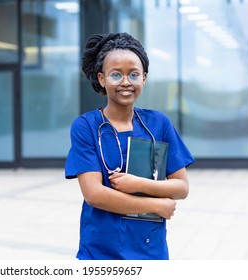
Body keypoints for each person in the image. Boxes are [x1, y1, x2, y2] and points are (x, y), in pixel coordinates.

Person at [65, 32, 195, 260]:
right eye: (116, 74)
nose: (126, 82)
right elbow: (94, 194)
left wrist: (136, 183)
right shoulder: (86, 127)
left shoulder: (159, 124)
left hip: (149, 250)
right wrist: (155, 206)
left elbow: (181, 187)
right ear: (102, 79)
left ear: (144, 78)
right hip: (100, 251)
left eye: (133, 74)